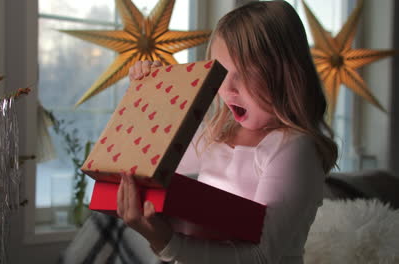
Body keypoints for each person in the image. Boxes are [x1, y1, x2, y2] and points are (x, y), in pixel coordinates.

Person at [117, 1, 338, 263]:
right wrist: (148, 95)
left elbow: (261, 256)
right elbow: (146, 155)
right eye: (220, 72)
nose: (227, 89)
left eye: (244, 74)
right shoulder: (214, 137)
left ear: (285, 74)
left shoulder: (294, 148)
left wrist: (166, 242)